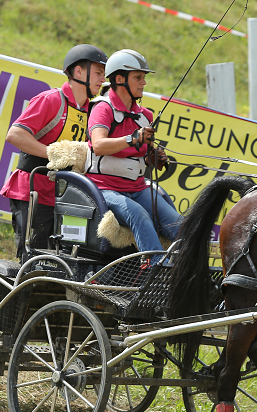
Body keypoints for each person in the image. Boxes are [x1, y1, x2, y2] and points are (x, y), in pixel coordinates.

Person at [0, 44, 108, 259]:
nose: (102, 80)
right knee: (33, 260)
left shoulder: (94, 111)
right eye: (98, 73)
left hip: (65, 196)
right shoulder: (51, 100)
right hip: (33, 191)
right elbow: (15, 135)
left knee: (60, 262)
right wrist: (54, 154)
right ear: (78, 72)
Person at [86, 49, 182, 257]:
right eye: (138, 77)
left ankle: (191, 272)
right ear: (119, 79)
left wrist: (153, 157)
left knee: (181, 226)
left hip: (137, 188)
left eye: (144, 78)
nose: (143, 83)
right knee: (138, 215)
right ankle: (158, 269)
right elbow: (99, 145)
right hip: (104, 190)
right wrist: (131, 138)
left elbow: (140, 153)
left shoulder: (145, 115)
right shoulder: (103, 108)